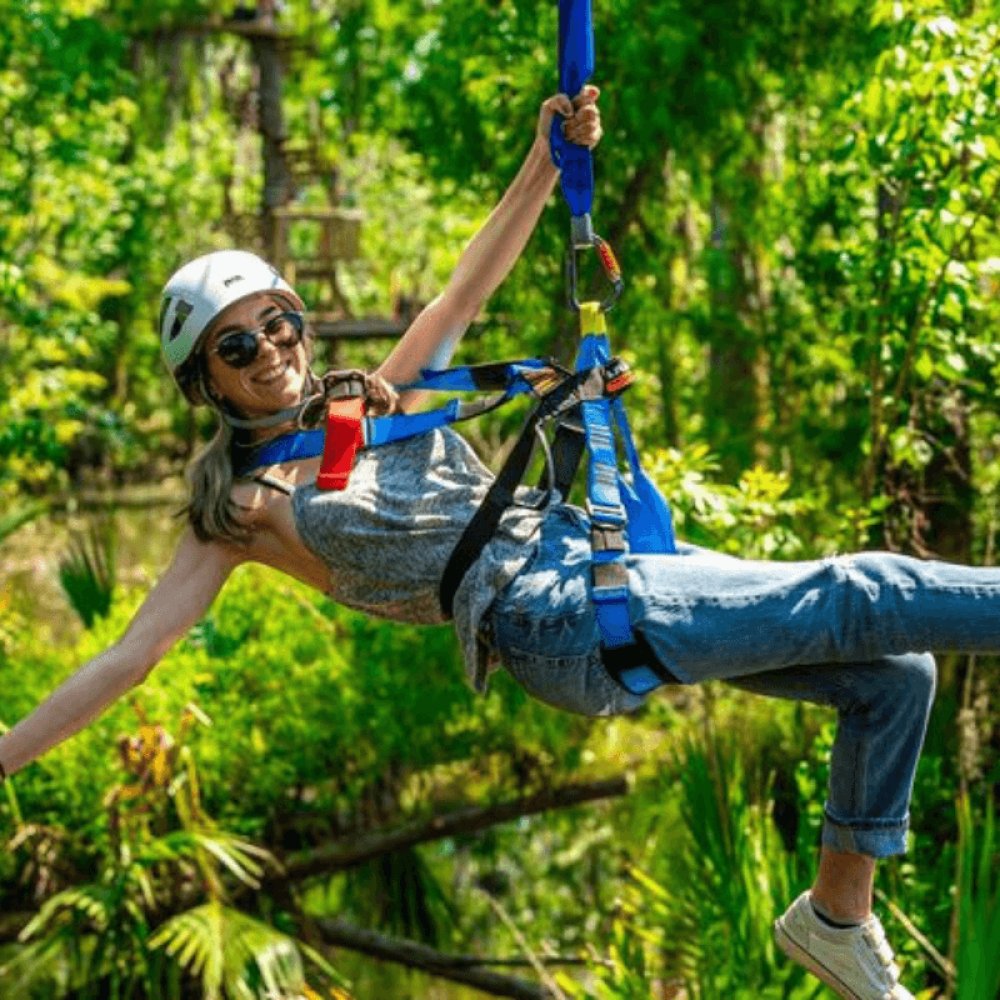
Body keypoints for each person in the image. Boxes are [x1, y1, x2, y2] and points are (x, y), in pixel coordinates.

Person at [0, 85, 993, 1000]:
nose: (271, 349)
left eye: (279, 322)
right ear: (205, 383)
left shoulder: (369, 406)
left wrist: (546, 158)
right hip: (549, 617)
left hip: (598, 560)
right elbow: (129, 659)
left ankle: (835, 916)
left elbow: (461, 294)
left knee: (894, 673)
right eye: (237, 344)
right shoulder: (239, 511)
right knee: (864, 588)